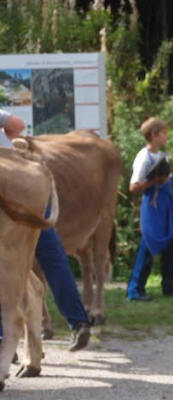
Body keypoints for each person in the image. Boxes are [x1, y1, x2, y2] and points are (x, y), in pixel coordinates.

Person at [0, 108, 91, 352]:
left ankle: (3, 340)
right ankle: (78, 320)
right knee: (52, 256)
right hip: (23, 175)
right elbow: (17, 125)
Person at [126, 117, 173, 301]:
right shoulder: (144, 157)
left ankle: (169, 284)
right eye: (163, 133)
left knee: (172, 244)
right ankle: (135, 289)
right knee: (149, 245)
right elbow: (133, 186)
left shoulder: (162, 156)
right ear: (154, 134)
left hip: (165, 204)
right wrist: (154, 181)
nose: (166, 137)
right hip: (152, 207)